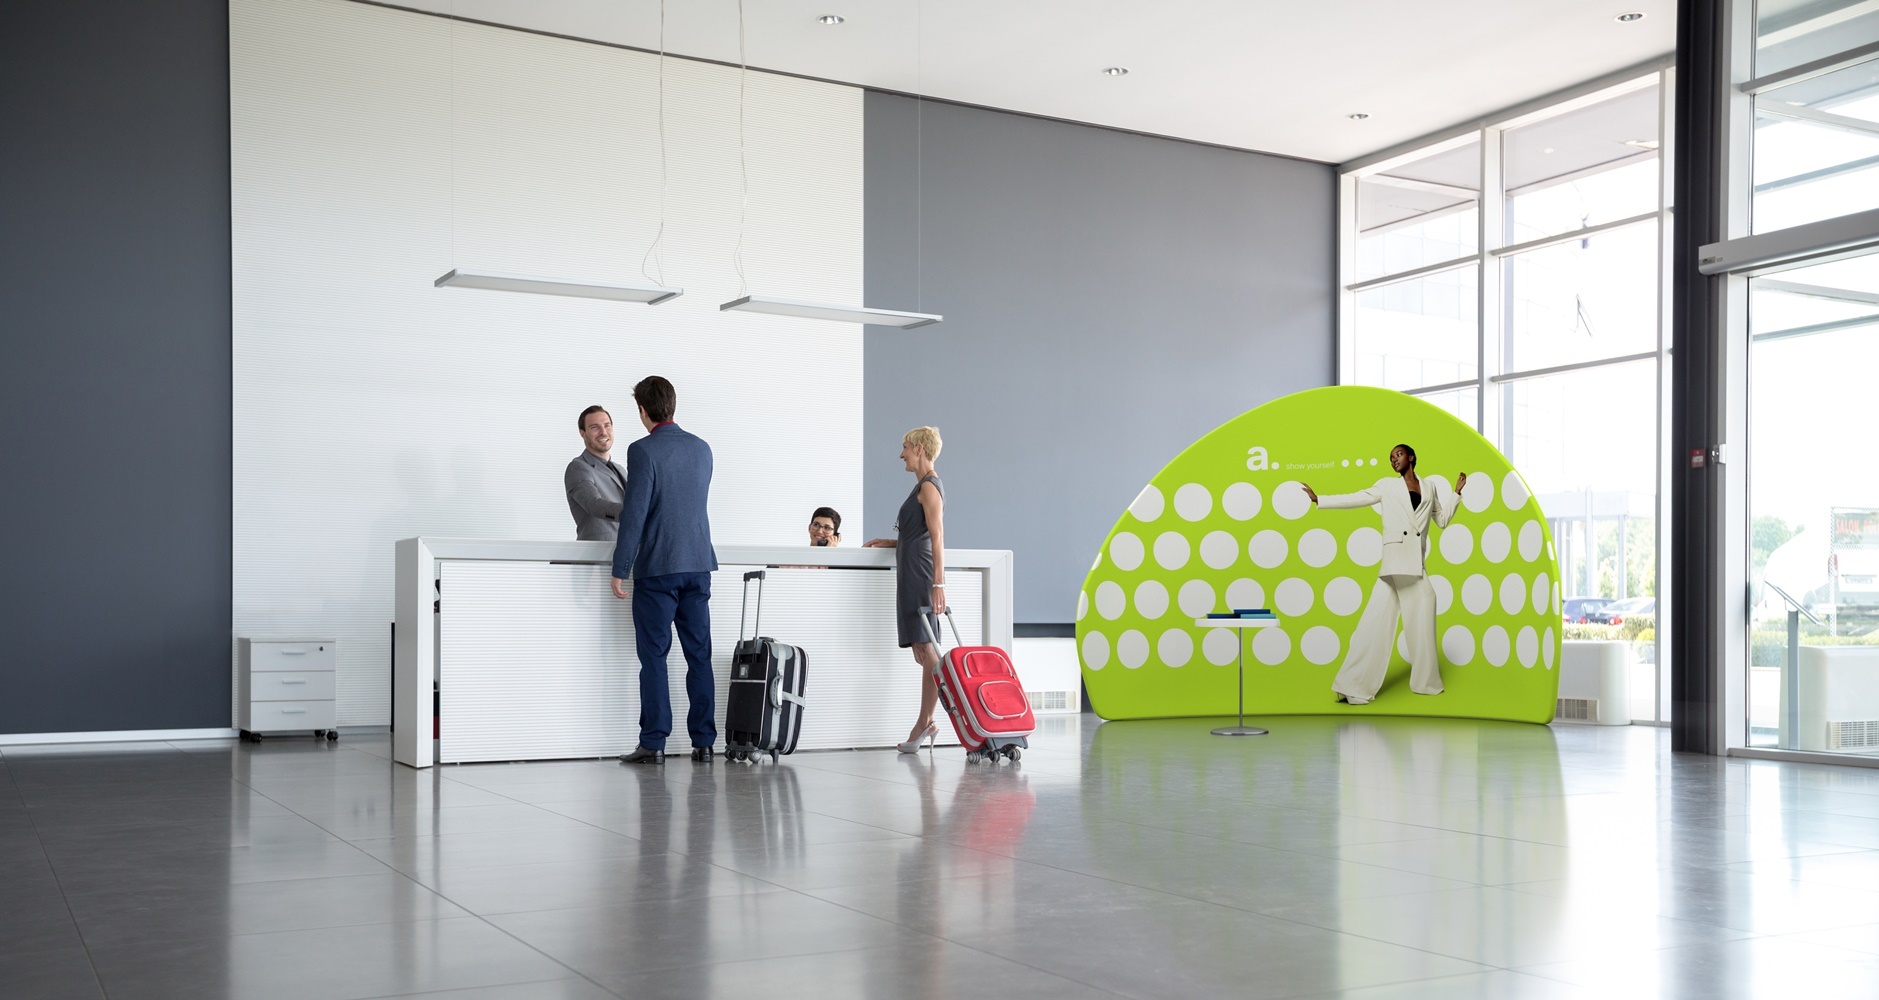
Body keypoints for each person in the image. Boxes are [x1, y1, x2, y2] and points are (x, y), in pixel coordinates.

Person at [1301, 444, 1467, 705]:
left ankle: (1376, 684)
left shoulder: (1430, 486)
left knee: (1386, 619)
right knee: (1389, 619)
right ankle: (1362, 685)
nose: (1393, 460)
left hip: (1415, 563)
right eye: (1391, 458)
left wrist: (1456, 494)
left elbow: (1442, 520)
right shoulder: (1387, 486)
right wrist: (1320, 499)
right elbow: (1359, 497)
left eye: (1398, 455)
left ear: (1411, 457)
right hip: (1396, 560)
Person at [611, 377, 719, 764]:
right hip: (698, 565)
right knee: (699, 656)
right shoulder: (702, 448)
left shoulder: (642, 450)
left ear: (642, 410)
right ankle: (704, 743)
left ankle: (654, 743)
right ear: (672, 405)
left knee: (654, 657)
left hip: (658, 567)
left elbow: (635, 513)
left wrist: (620, 567)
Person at [864, 427, 947, 753]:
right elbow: (918, 534)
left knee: (929, 651)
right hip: (911, 573)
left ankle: (925, 721)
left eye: (905, 448)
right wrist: (892, 543)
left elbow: (937, 538)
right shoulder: (922, 486)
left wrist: (938, 583)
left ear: (920, 449)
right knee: (922, 651)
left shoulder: (929, 487)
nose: (901, 455)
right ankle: (926, 722)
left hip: (921, 576)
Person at [565, 405, 626, 541]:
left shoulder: (621, 470)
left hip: (628, 550)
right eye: (594, 427)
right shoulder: (578, 468)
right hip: (598, 551)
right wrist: (634, 513)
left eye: (607, 425)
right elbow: (593, 505)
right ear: (582, 433)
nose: (603, 432)